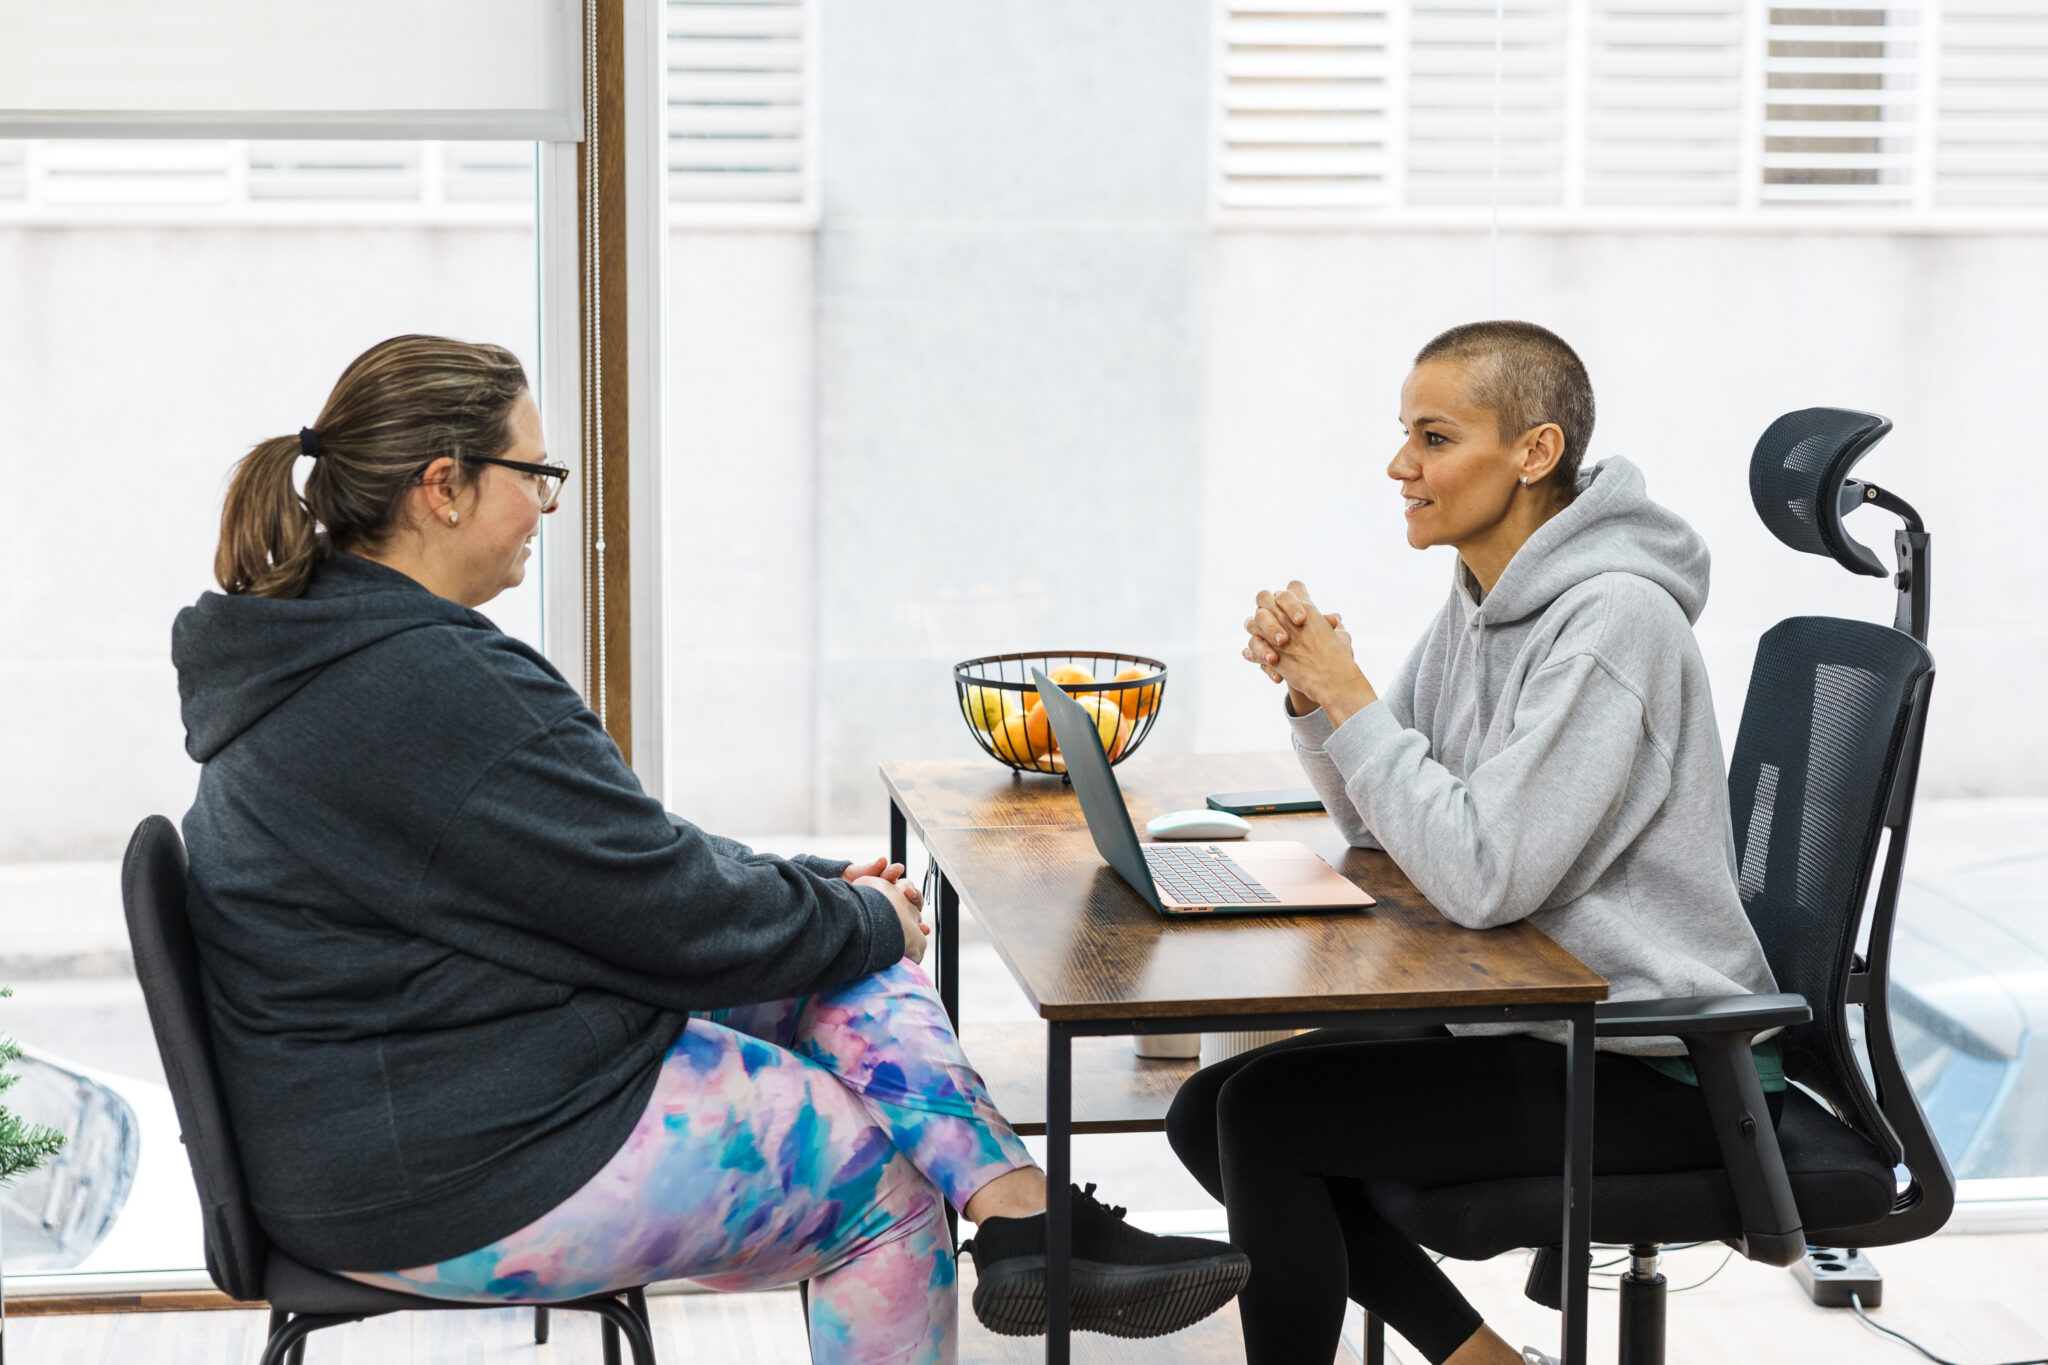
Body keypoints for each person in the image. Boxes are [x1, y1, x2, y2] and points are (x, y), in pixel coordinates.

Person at [173, 334, 1247, 1363]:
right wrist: (861, 913)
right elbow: (660, 908)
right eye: (533, 473)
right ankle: (1007, 1217)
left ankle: (1025, 1222)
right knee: (890, 1187)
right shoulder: (424, 682)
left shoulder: (331, 647)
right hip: (446, 1169)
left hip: (413, 1104)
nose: (547, 503)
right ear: (443, 485)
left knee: (850, 967)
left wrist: (822, 897)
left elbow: (613, 853)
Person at [1163, 321, 1783, 1365]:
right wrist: (1318, 703)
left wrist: (1353, 696)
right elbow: (1382, 824)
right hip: (1543, 1018)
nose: (1401, 465)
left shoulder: (1611, 623)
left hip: (1660, 1063)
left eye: (1434, 437)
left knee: (1267, 1120)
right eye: (1405, 434)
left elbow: (1481, 874)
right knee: (1208, 1109)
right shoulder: (1483, 597)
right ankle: (1476, 1359)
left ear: (1532, 454)